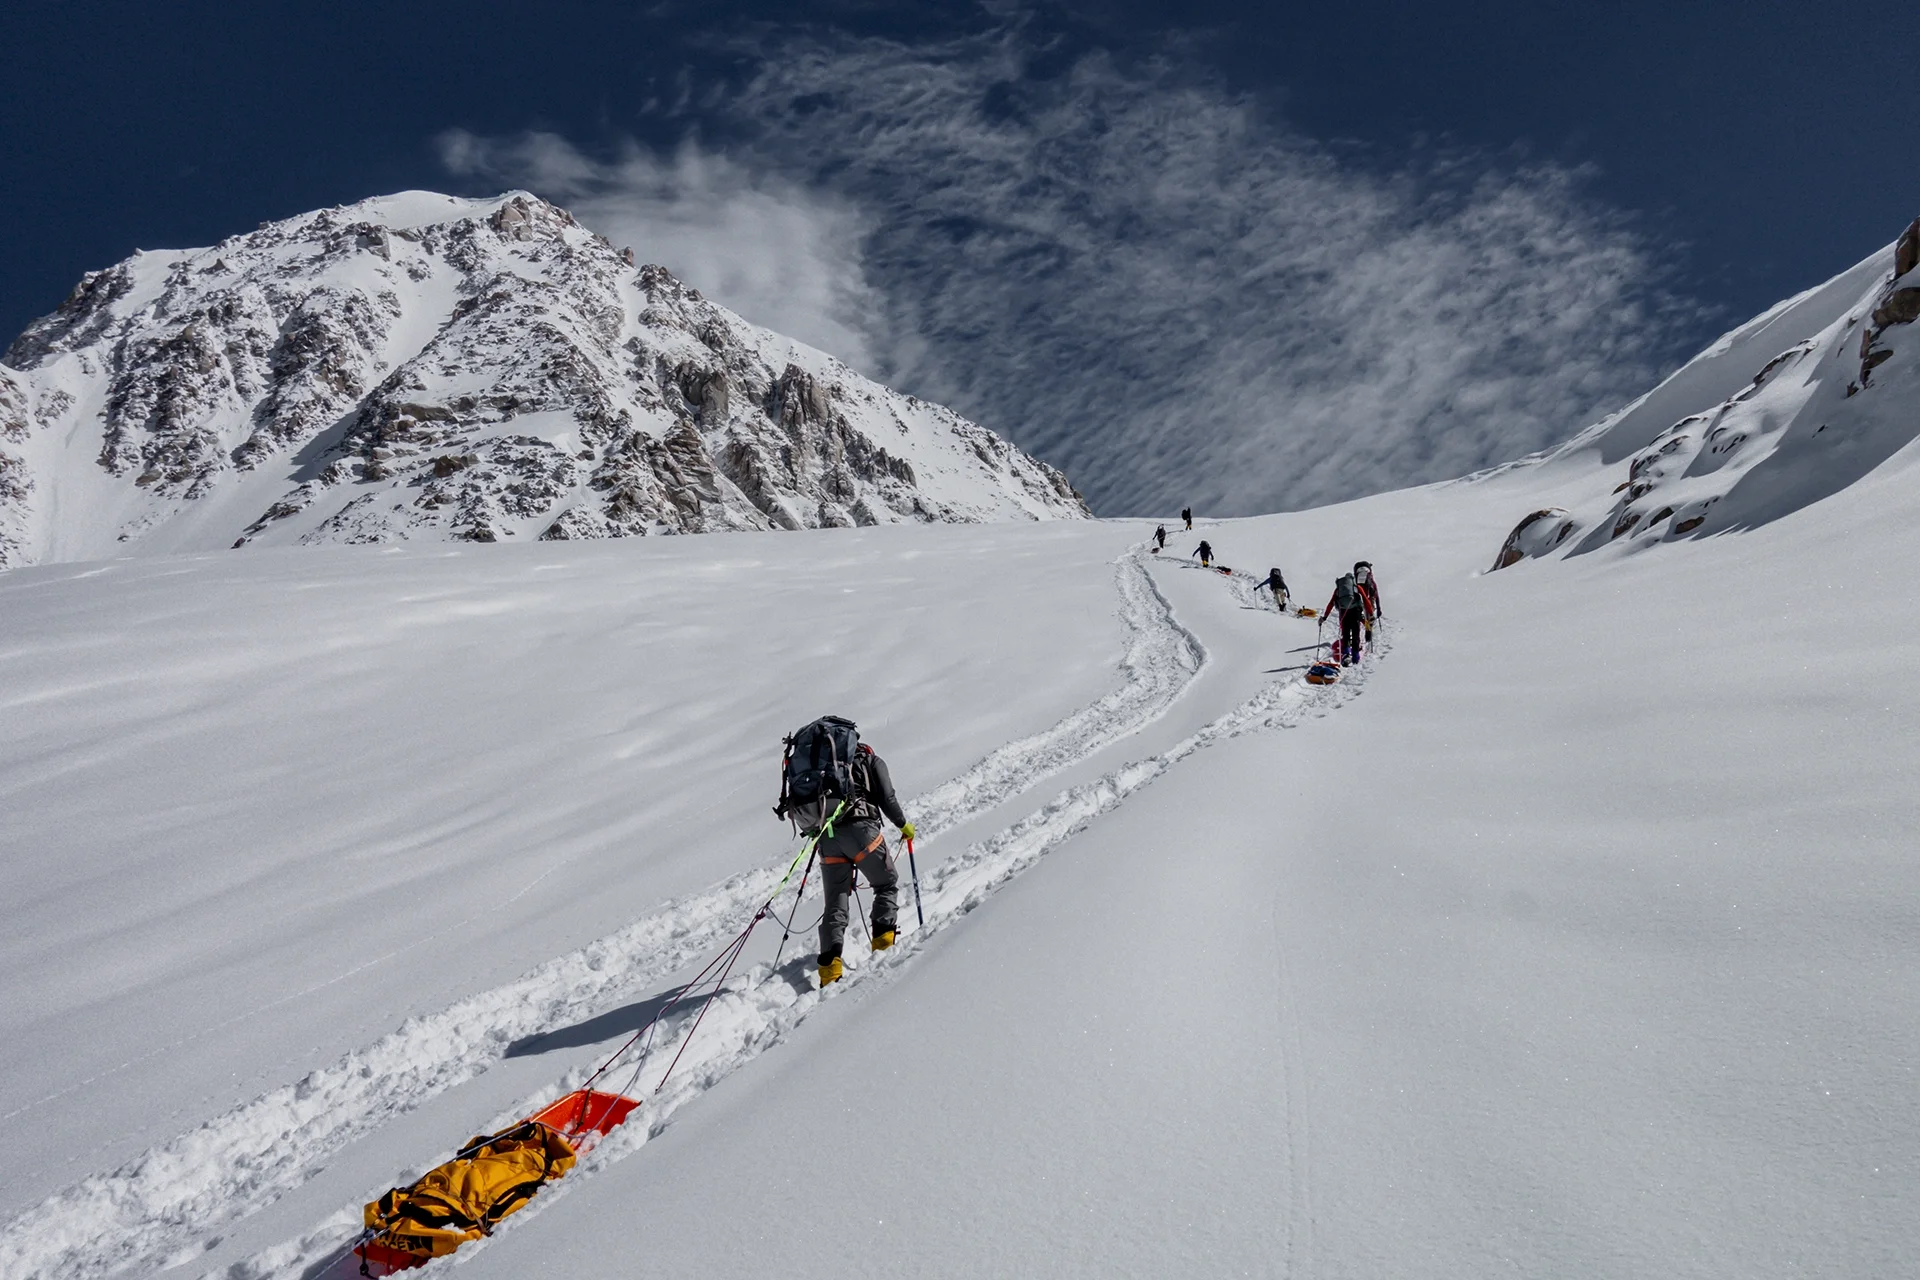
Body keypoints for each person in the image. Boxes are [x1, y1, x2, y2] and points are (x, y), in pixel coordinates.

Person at [776, 717, 915, 987]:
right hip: (862, 832)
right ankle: (884, 948)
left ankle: (829, 973)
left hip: (827, 837)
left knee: (835, 904)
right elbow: (887, 798)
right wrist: (903, 825)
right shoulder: (871, 761)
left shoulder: (824, 768)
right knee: (886, 884)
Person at [1324, 571, 1365, 666]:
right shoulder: (1356, 588)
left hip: (1344, 614)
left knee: (1345, 635)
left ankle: (1346, 654)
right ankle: (1355, 657)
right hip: (1355, 614)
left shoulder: (1339, 590)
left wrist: (1325, 617)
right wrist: (1370, 615)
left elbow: (1331, 603)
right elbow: (1366, 601)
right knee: (1356, 635)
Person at [1353, 561, 1382, 642]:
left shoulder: (1356, 578)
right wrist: (1378, 609)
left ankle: (1356, 634)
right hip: (1369, 599)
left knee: (1358, 616)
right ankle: (1368, 631)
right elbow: (1376, 593)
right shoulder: (1370, 579)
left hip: (1358, 599)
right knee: (1368, 615)